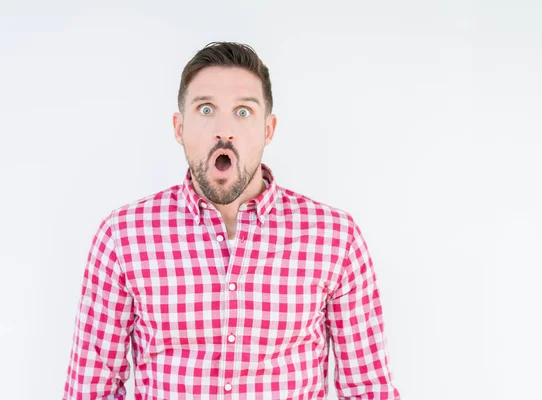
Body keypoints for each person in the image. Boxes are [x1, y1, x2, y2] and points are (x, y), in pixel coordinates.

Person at [64, 41, 401, 399]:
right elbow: (90, 389)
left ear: (268, 130)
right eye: (206, 109)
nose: (224, 130)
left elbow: (368, 388)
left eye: (243, 112)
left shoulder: (335, 237)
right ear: (179, 127)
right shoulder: (123, 236)